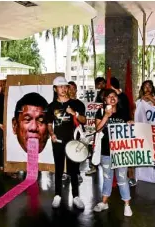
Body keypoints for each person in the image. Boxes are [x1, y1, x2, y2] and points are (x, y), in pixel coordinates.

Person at [47, 76, 86, 209]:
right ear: (55, 89)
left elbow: (84, 120)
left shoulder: (76, 104)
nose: (63, 89)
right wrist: (51, 134)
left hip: (73, 142)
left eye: (65, 86)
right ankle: (57, 195)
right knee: (58, 169)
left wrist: (74, 113)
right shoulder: (51, 106)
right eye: (60, 87)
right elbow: (48, 124)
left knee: (74, 170)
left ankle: (76, 196)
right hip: (57, 141)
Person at [93, 88, 133, 216]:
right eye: (109, 96)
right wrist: (106, 116)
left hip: (121, 151)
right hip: (106, 151)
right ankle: (104, 202)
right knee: (107, 178)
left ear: (117, 98)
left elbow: (130, 128)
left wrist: (131, 123)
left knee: (122, 178)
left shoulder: (123, 112)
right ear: (104, 100)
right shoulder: (100, 112)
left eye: (114, 95)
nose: (112, 97)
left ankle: (127, 205)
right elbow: (97, 130)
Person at [67, 81, 85, 183]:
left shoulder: (80, 104)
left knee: (76, 153)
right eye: (69, 88)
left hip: (77, 132)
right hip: (65, 131)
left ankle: (77, 173)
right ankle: (66, 172)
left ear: (76, 90)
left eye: (73, 88)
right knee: (66, 152)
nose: (71, 90)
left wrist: (75, 114)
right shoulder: (63, 103)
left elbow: (83, 120)